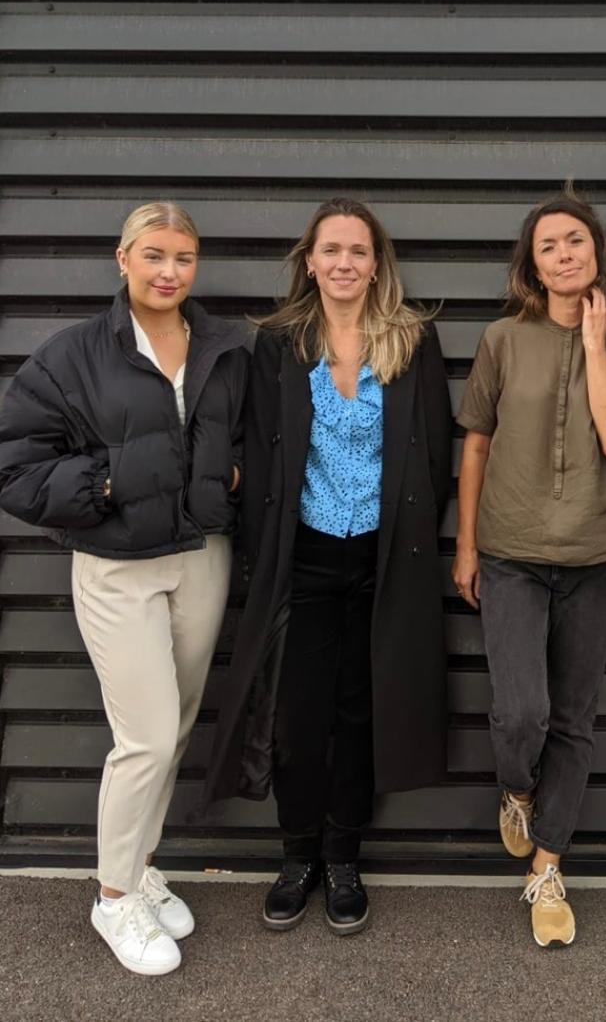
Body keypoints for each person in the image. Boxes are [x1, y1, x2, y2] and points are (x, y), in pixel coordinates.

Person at [0, 202, 248, 976]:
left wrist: (234, 479)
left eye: (183, 258)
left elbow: (246, 436)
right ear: (123, 259)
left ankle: (139, 867)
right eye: (154, 255)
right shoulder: (73, 354)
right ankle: (113, 898)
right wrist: (112, 478)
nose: (169, 272)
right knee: (145, 737)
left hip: (201, 558)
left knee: (174, 729)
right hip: (117, 567)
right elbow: (16, 467)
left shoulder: (223, 347)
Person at [202, 197, 452, 936]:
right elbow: (258, 449)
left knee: (362, 713)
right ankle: (297, 857)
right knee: (297, 718)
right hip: (303, 557)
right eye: (331, 250)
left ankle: (343, 858)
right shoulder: (279, 344)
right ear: (309, 262)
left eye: (358, 251)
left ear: (377, 265)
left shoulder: (412, 341)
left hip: (382, 558)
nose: (345, 263)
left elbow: (434, 450)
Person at [452, 186, 606, 947]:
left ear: (596, 250)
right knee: (522, 713)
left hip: (596, 553)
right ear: (531, 267)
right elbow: (475, 441)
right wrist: (466, 545)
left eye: (575, 240)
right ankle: (516, 788)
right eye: (548, 247)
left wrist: (595, 345)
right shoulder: (503, 340)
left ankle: (547, 866)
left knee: (573, 718)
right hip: (511, 550)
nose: (565, 254)